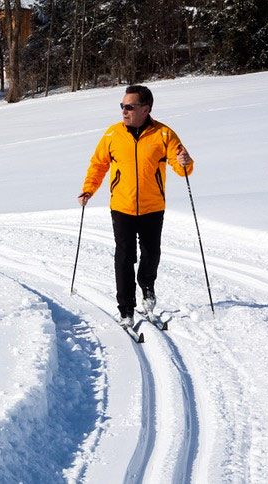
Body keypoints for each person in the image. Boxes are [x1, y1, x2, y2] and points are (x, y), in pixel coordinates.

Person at [78, 85, 193, 327]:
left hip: (153, 207)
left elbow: (181, 164)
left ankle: (147, 287)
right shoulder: (112, 135)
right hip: (122, 207)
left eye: (129, 106)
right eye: (122, 106)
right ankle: (126, 308)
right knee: (124, 256)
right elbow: (98, 165)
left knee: (151, 255)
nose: (124, 110)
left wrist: (185, 161)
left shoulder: (164, 135)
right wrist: (88, 189)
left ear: (145, 109)